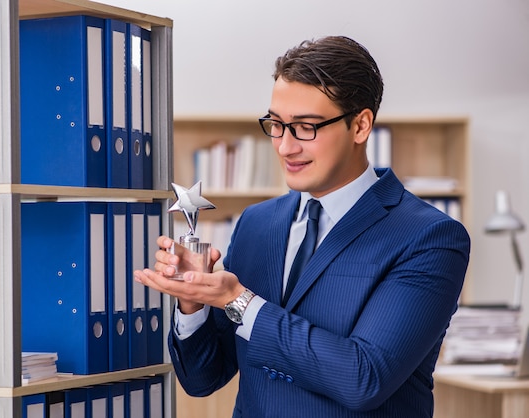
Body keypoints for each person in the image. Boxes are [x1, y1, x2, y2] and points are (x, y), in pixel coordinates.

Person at [134, 35, 470, 417]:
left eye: (305, 127)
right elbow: (202, 380)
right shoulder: (257, 224)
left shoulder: (430, 238)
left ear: (360, 126)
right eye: (276, 125)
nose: (284, 147)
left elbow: (364, 378)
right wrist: (193, 302)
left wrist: (238, 302)